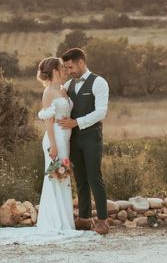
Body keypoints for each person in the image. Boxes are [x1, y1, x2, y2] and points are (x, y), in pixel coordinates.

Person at [0, 57, 100, 246]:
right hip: (55, 139)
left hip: (65, 140)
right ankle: (54, 223)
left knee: (63, 179)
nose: (65, 70)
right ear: (55, 71)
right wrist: (53, 146)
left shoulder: (63, 90)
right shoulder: (49, 93)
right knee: (54, 178)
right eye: (62, 67)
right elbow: (48, 121)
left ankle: (65, 222)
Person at [58, 48, 110, 235]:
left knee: (94, 177)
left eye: (71, 66)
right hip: (73, 139)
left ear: (81, 62)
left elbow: (101, 112)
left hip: (91, 137)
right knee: (80, 178)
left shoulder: (99, 82)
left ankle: (103, 220)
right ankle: (84, 219)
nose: (69, 70)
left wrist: (76, 122)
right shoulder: (68, 85)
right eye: (66, 67)